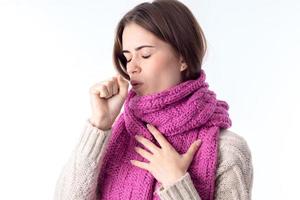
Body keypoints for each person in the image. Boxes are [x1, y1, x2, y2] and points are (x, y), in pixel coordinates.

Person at [53, 0, 253, 199]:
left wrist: (177, 183)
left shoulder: (227, 151)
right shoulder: (116, 138)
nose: (131, 68)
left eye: (145, 54)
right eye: (128, 57)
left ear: (183, 58)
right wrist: (99, 125)